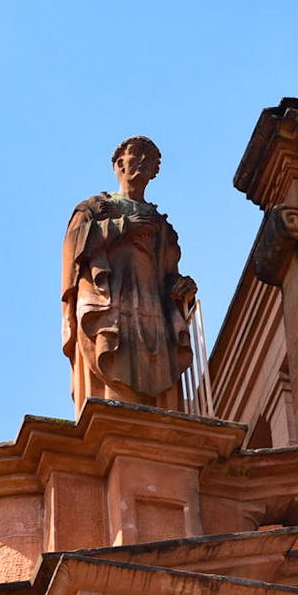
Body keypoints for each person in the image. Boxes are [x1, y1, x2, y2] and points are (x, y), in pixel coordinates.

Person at [61, 136, 197, 409]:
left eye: (150, 161)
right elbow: (74, 245)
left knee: (158, 379)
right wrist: (124, 226)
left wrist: (182, 286)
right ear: (119, 165)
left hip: (152, 309)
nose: (142, 164)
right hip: (109, 302)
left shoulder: (162, 227)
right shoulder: (94, 208)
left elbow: (168, 272)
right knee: (111, 364)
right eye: (136, 156)